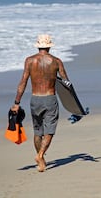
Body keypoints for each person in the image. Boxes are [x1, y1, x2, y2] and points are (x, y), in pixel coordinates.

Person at [12, 34, 69, 172]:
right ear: (49, 45)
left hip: (35, 99)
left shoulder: (30, 61)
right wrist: (74, 105)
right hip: (50, 99)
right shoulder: (56, 62)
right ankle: (40, 155)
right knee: (50, 130)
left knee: (38, 131)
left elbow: (23, 82)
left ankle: (41, 162)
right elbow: (67, 83)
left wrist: (16, 102)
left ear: (38, 45)